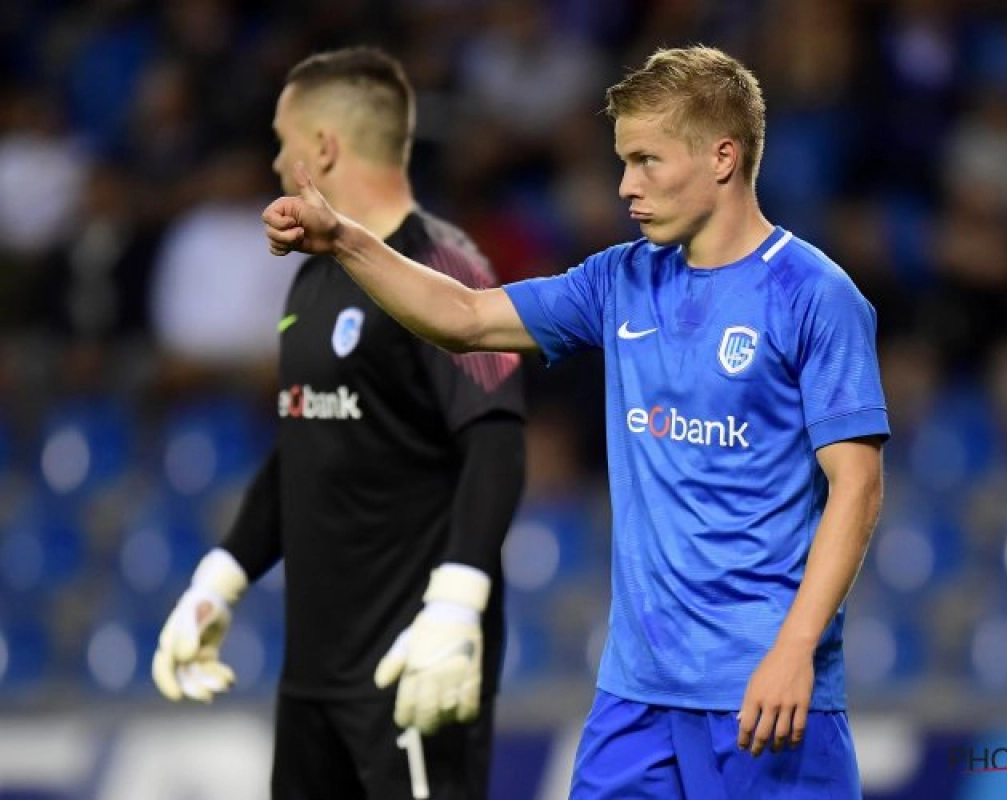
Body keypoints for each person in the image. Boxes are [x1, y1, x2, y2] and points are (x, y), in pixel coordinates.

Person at [263, 45, 887, 799]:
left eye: (647, 161)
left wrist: (795, 648)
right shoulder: (620, 279)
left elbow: (856, 486)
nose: (626, 185)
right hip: (638, 695)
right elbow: (464, 317)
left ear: (723, 157)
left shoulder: (813, 295)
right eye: (623, 162)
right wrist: (347, 241)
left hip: (764, 689)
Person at [152, 47, 526, 800]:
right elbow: (304, 440)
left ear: (323, 147)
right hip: (312, 679)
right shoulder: (314, 274)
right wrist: (216, 583)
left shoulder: (447, 270)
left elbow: (496, 438)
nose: (278, 158)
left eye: (284, 138)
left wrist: (456, 603)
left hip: (410, 668)